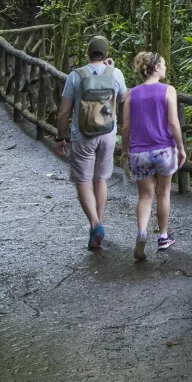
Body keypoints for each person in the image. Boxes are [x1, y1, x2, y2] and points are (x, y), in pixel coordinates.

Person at [54, 35, 128, 253]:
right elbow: (124, 99)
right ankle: (99, 225)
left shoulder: (75, 76)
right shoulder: (116, 73)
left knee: (83, 182)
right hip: (108, 134)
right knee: (101, 179)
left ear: (88, 53)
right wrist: (111, 70)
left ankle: (95, 225)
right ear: (106, 55)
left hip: (82, 135)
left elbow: (64, 111)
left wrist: (61, 136)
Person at [123, 51, 185, 263]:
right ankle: (163, 237)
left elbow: (126, 127)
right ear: (156, 68)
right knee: (164, 193)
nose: (166, 69)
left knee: (145, 196)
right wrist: (181, 147)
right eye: (164, 65)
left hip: (139, 152)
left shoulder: (131, 94)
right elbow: (174, 123)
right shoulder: (168, 90)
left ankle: (142, 233)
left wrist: (124, 150)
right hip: (164, 150)